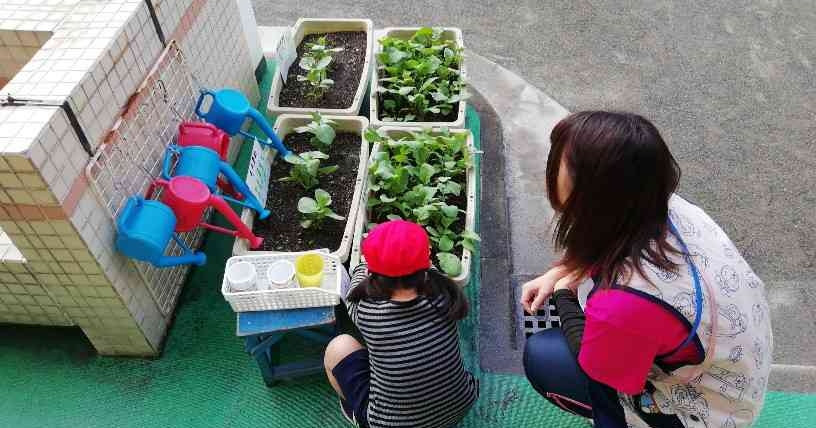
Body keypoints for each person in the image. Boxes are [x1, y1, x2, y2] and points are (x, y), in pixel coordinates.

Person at [520, 111, 772, 428]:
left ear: (591, 201)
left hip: (705, 413)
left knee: (544, 358)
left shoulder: (624, 302)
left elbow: (598, 371)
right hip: (737, 375)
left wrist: (562, 294)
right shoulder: (660, 204)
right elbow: (601, 243)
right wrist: (561, 271)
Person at [324, 220, 479, 428]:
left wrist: (362, 264)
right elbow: (426, 267)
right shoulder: (444, 294)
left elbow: (355, 286)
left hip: (392, 424)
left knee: (339, 346)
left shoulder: (368, 312)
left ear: (373, 273)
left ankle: (354, 412)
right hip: (460, 405)